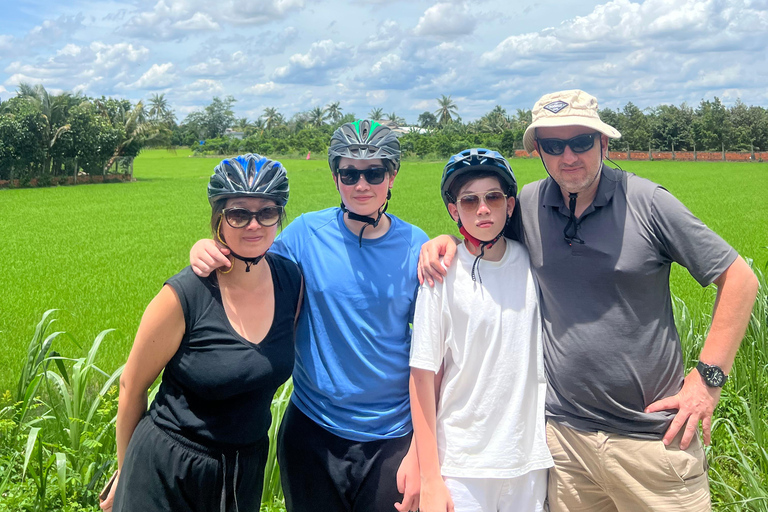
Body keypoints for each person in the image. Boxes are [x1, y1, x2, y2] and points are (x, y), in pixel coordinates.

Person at [418, 90, 759, 511]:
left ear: (603, 144)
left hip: (652, 442)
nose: (568, 156)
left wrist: (707, 381)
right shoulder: (528, 203)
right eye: (553, 145)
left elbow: (739, 279)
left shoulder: (646, 202)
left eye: (580, 141)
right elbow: (485, 235)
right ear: (538, 151)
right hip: (564, 446)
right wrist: (445, 241)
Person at [189, 120, 428, 512]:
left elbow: (435, 350)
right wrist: (207, 247)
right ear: (336, 177)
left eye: (374, 172)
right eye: (350, 173)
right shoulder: (304, 234)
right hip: (313, 431)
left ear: (392, 176)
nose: (361, 184)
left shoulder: (416, 244)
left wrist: (420, 450)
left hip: (392, 435)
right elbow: (251, 265)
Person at [99, 154, 303, 512]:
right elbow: (132, 386)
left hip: (243, 471)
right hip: (167, 467)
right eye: (239, 213)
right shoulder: (186, 294)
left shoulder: (291, 281)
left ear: (279, 217)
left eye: (266, 212)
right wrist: (124, 468)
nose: (253, 225)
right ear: (219, 219)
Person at [409, 149, 553, 512]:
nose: (483, 209)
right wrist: (430, 477)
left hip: (528, 461)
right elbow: (422, 376)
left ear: (509, 204)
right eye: (469, 201)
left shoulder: (535, 264)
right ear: (453, 211)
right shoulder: (440, 276)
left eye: (492, 197)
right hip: (461, 465)